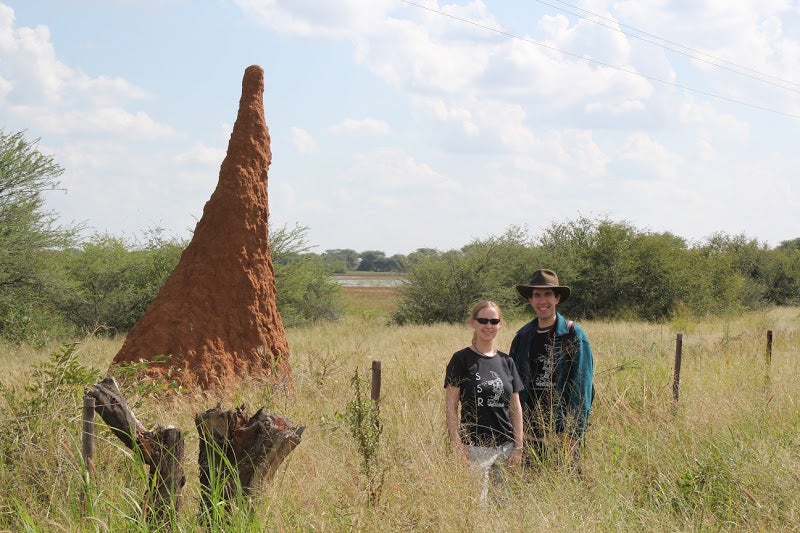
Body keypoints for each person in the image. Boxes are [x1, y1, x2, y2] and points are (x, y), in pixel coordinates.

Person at [508, 269, 594, 470]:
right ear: (530, 300)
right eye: (537, 295)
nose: (542, 301)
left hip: (561, 434)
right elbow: (511, 388)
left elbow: (582, 388)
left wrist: (573, 434)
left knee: (565, 489)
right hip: (529, 433)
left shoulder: (573, 335)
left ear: (557, 298)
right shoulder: (522, 337)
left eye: (548, 294)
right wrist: (515, 432)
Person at [444, 301, 524, 502]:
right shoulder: (461, 360)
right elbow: (451, 407)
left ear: (500, 325)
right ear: (473, 323)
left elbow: (515, 408)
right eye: (483, 320)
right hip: (475, 447)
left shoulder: (507, 362)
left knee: (503, 504)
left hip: (505, 448)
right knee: (477, 505)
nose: (488, 326)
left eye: (494, 321)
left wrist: (518, 447)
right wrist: (457, 443)